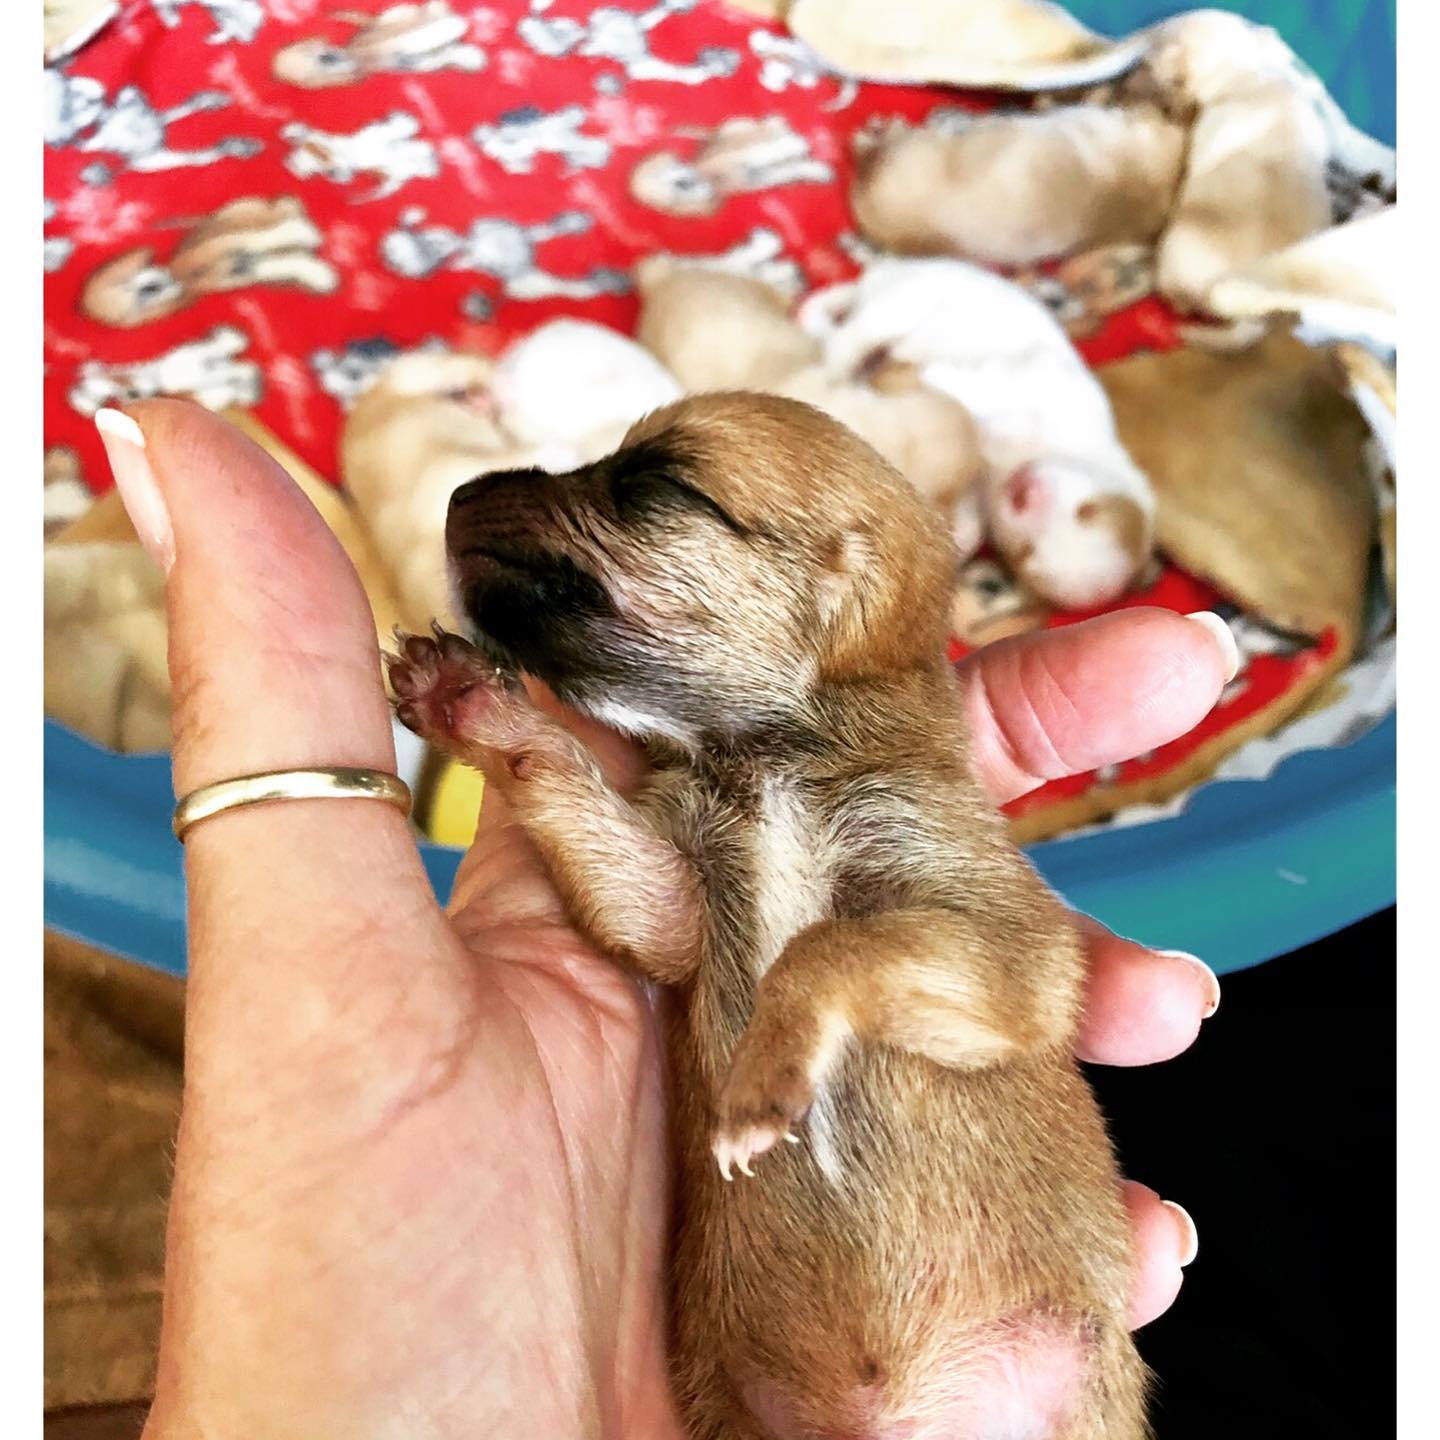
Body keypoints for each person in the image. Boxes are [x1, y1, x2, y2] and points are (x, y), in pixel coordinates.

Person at [96, 400, 1229, 1437]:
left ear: (839, 579)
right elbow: (670, 931)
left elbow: (1013, 987)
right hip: (758, 1389)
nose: (545, 503)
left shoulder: (916, 794)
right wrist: (531, 758)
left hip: (1017, 1365)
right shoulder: (697, 795)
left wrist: (821, 990)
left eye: (651, 492)